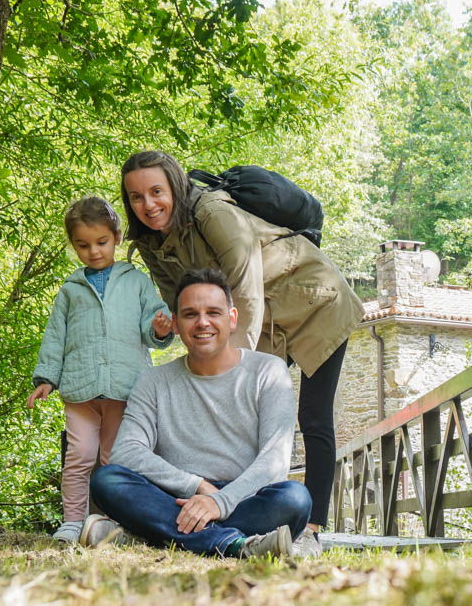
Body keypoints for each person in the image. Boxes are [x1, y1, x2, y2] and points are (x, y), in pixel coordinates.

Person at [120, 151, 362, 555]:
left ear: (175, 187)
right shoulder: (149, 242)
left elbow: (245, 290)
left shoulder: (213, 212)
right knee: (247, 420)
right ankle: (232, 516)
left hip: (314, 302)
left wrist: (235, 368)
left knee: (313, 418)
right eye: (136, 197)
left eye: (156, 192)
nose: (148, 205)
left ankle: (311, 530)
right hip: (262, 320)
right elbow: (179, 304)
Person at [84, 268, 312, 559]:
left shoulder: (268, 370)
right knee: (109, 480)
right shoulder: (153, 381)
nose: (202, 322)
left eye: (213, 313)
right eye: (190, 314)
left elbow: (274, 461)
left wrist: (219, 502)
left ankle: (151, 536)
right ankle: (235, 544)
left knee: (294, 499)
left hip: (245, 497)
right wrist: (197, 487)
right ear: (176, 324)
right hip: (175, 497)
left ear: (231, 319)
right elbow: (125, 452)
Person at [28, 196, 174, 542]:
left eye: (101, 242)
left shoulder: (137, 281)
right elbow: (55, 336)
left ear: (117, 237)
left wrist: (160, 328)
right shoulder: (70, 289)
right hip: (80, 389)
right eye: (83, 245)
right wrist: (46, 377)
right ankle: (73, 522)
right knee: (78, 457)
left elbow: (150, 327)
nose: (93, 251)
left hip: (125, 388)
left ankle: (110, 524)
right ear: (74, 246)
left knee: (113, 459)